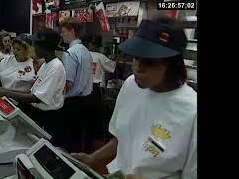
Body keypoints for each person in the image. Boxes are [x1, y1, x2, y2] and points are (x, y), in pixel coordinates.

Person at [72, 16, 197, 179]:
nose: (137, 67)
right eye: (136, 58)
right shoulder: (131, 85)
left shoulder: (192, 112)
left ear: (173, 64)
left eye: (149, 61)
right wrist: (91, 159)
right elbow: (122, 139)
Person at [0, 29, 66, 147]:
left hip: (49, 117)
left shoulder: (55, 67)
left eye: (36, 45)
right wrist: (4, 91)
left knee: (45, 149)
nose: (34, 48)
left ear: (44, 46)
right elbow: (31, 91)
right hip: (37, 113)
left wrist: (6, 92)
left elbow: (36, 97)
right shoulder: (46, 65)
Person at [59, 17, 94, 153]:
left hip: (72, 103)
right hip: (87, 100)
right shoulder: (85, 51)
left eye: (63, 32)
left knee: (70, 140)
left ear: (72, 31)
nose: (61, 35)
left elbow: (68, 82)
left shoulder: (70, 53)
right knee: (81, 138)